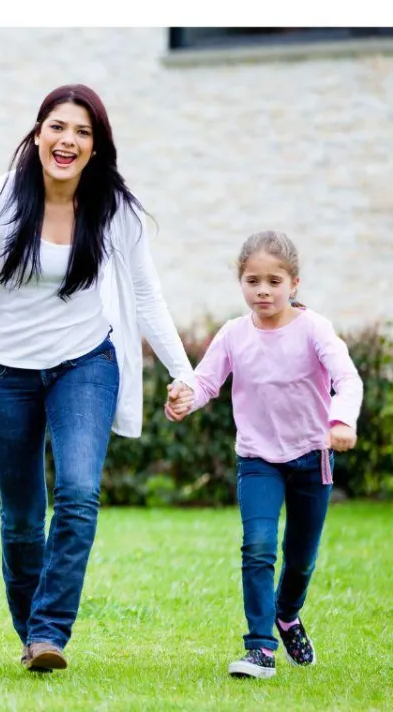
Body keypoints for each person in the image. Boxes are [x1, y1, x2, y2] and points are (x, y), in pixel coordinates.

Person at [0, 84, 196, 672]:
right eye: (58, 127)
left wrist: (183, 372)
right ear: (37, 133)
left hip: (85, 366)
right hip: (1, 372)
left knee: (78, 492)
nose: (68, 140)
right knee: (20, 512)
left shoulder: (115, 210)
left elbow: (145, 294)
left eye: (83, 132)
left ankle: (49, 634)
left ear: (97, 147)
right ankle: (31, 636)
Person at [165, 231, 362, 679]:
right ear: (241, 283)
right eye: (253, 281)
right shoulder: (234, 334)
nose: (263, 290)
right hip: (258, 460)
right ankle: (260, 648)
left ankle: (287, 615)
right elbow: (206, 382)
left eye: (274, 281)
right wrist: (183, 398)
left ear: (294, 283)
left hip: (313, 456)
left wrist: (341, 421)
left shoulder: (314, 329)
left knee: (300, 559)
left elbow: (346, 380)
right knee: (257, 547)